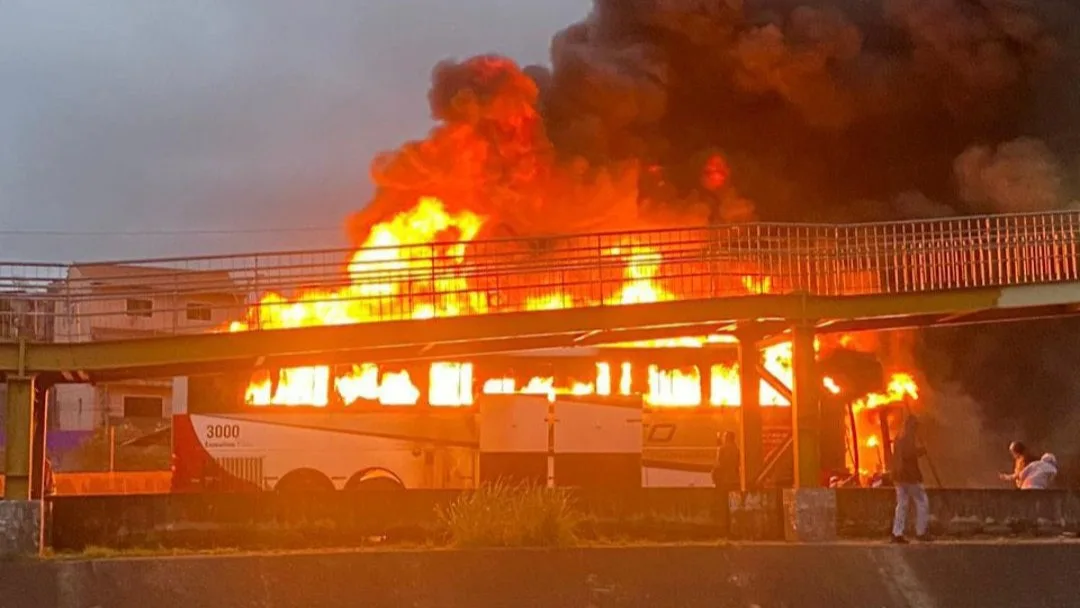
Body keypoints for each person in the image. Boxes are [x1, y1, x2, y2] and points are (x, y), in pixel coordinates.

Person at [891, 415, 930, 543]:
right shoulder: (907, 437)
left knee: (902, 504)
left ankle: (897, 533)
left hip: (899, 476)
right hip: (910, 476)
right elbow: (908, 454)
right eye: (915, 426)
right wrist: (920, 451)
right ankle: (921, 532)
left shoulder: (898, 437)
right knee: (922, 502)